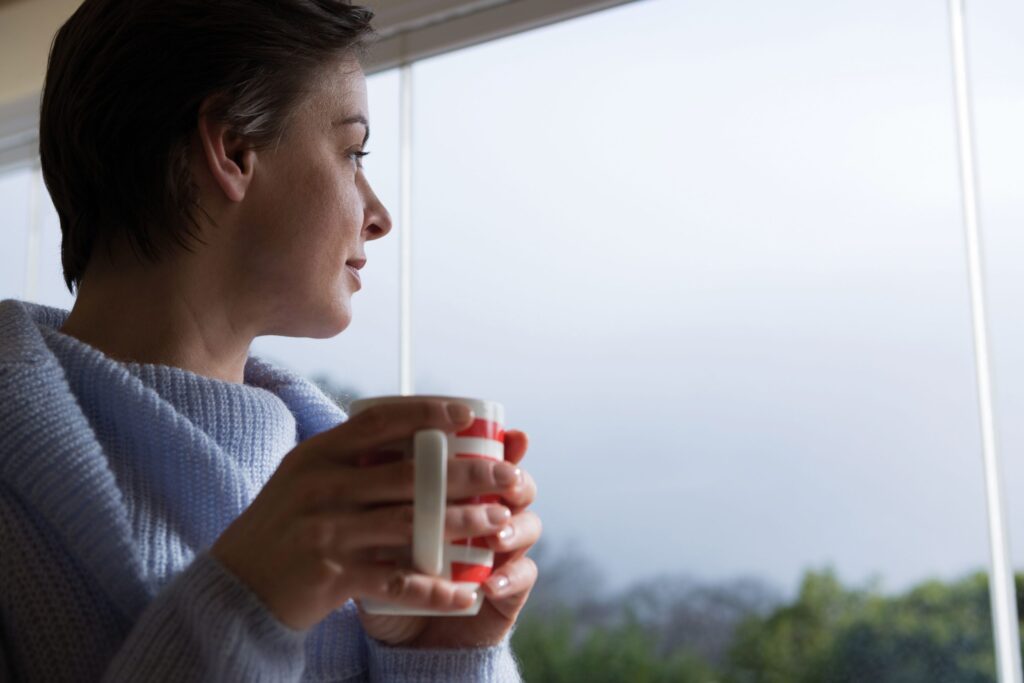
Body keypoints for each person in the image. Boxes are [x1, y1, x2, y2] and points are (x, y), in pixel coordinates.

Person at [0, 0, 541, 680]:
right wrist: (248, 600)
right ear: (233, 149)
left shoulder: (351, 499)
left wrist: (441, 658)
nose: (379, 216)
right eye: (352, 152)